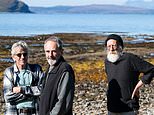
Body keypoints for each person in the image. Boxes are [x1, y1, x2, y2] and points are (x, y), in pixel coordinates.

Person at [104, 34, 154, 115]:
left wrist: (139, 84)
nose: (111, 49)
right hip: (111, 107)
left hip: (129, 107)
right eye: (108, 46)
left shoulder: (130, 59)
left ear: (120, 46)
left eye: (114, 45)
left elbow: (151, 69)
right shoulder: (107, 61)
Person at [3, 41, 43, 115]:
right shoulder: (9, 72)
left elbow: (42, 89)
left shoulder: (36, 69)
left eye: (25, 54)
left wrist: (22, 89)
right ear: (13, 57)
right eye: (19, 55)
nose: (22, 57)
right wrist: (32, 93)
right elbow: (8, 97)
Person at [39, 36, 75, 115]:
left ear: (61, 51)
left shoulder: (65, 70)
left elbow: (63, 101)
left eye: (53, 51)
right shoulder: (49, 69)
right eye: (47, 51)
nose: (50, 55)